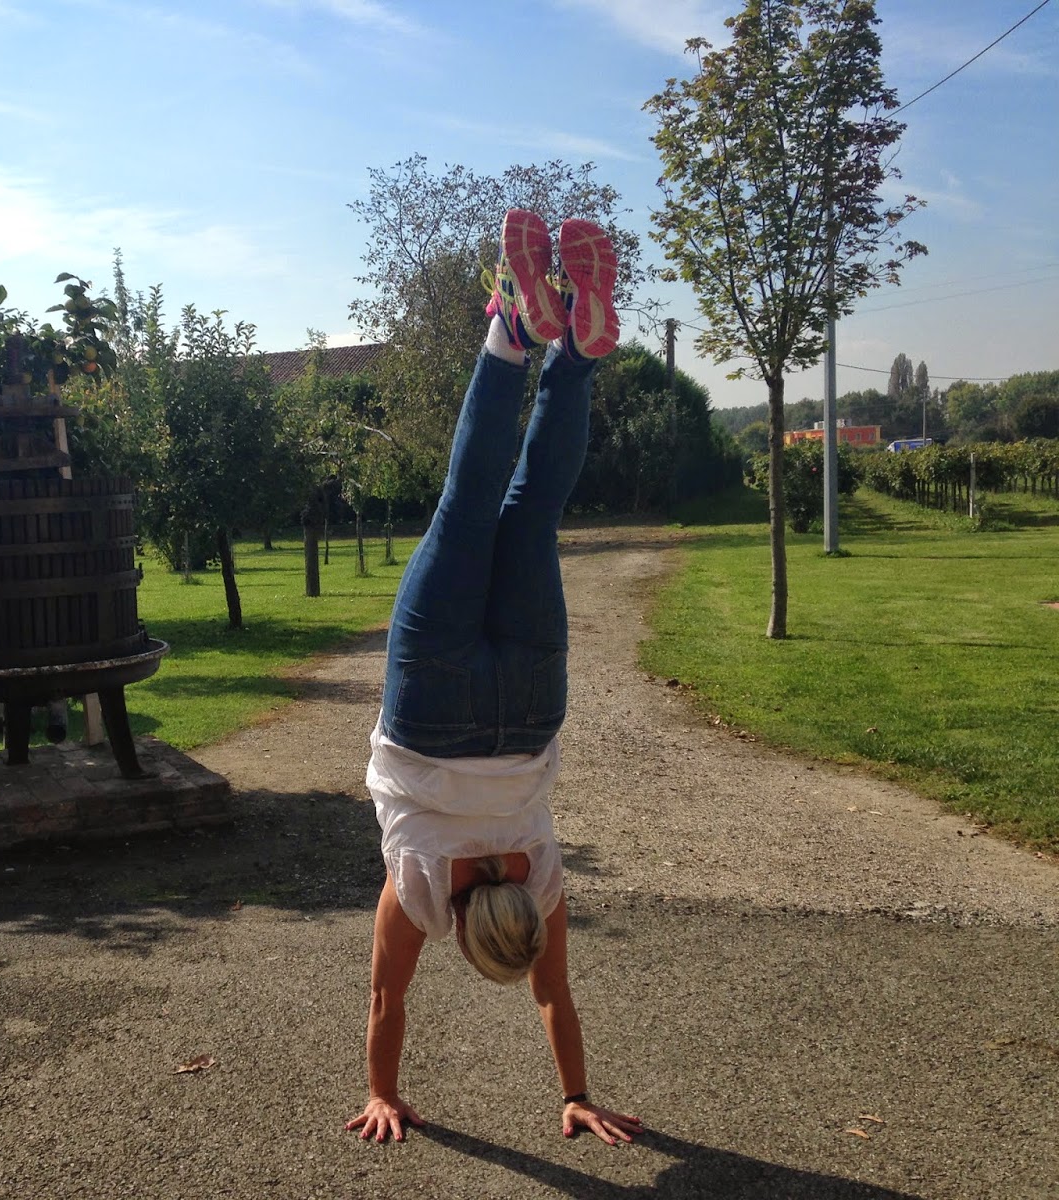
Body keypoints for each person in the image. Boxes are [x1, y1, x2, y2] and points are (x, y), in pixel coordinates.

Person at [346, 210, 642, 1147]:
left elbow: (556, 996)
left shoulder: (540, 879)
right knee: (468, 507)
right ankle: (513, 329)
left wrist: (580, 1092)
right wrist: (383, 1094)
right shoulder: (423, 893)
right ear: (467, 933)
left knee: (532, 509)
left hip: (528, 709)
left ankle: (575, 355)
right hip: (430, 714)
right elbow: (387, 998)